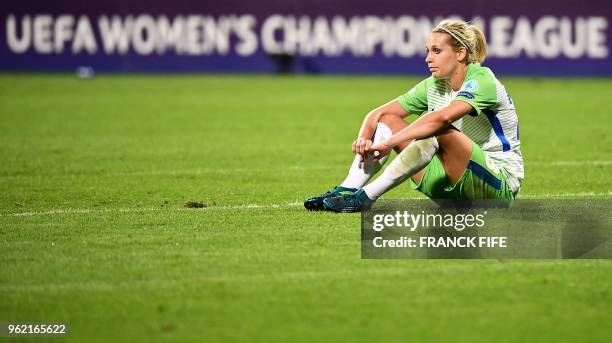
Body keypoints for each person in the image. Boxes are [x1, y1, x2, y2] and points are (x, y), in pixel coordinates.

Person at [304, 19, 524, 213]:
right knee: (388, 121)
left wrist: (389, 144)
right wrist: (363, 138)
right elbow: (379, 113)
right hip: (453, 189)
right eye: (427, 50)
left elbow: (440, 120)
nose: (428, 58)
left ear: (460, 53)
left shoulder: (481, 80)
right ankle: (348, 189)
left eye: (437, 51)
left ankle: (364, 198)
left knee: (438, 127)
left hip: (497, 188)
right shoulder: (435, 85)